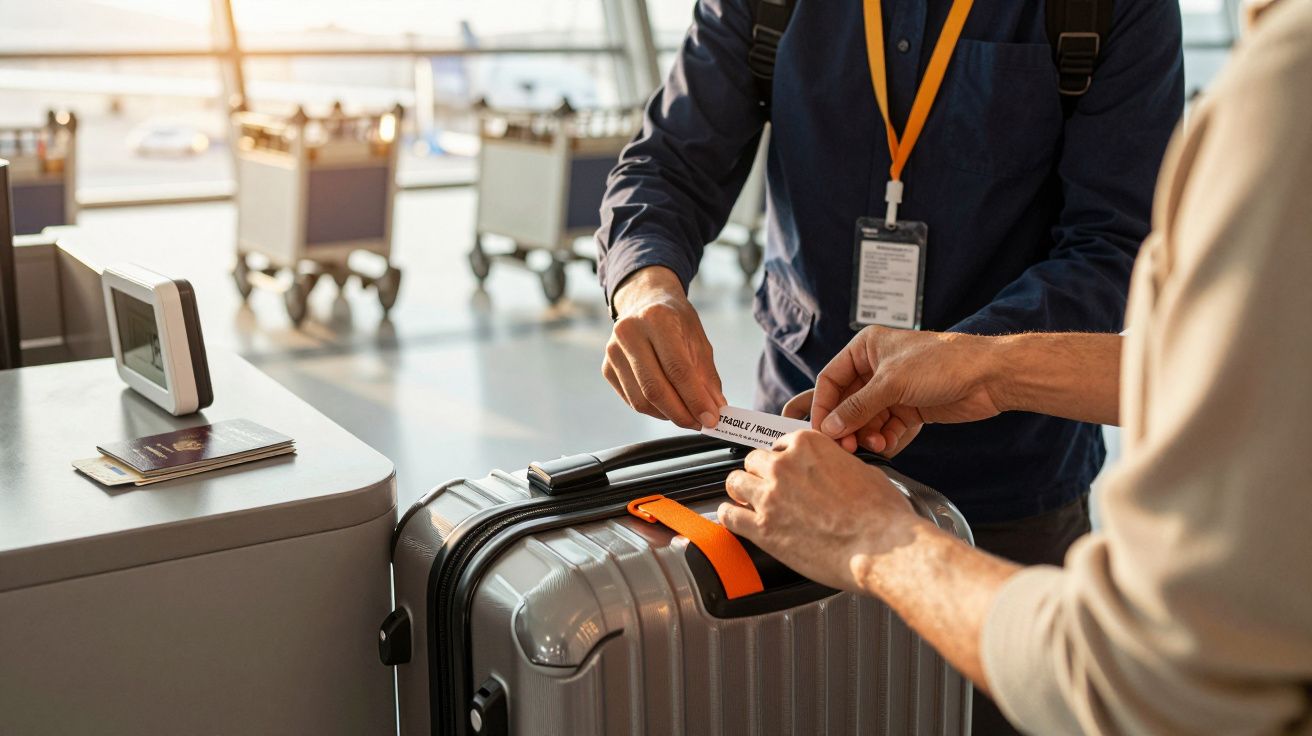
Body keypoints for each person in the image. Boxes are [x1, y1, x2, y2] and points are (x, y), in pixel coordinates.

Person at [718, 1, 1312, 732]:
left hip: (1010, 492)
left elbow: (1150, 676)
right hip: (817, 456)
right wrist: (989, 366)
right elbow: (1257, 381)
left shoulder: (1293, 83)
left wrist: (875, 543)